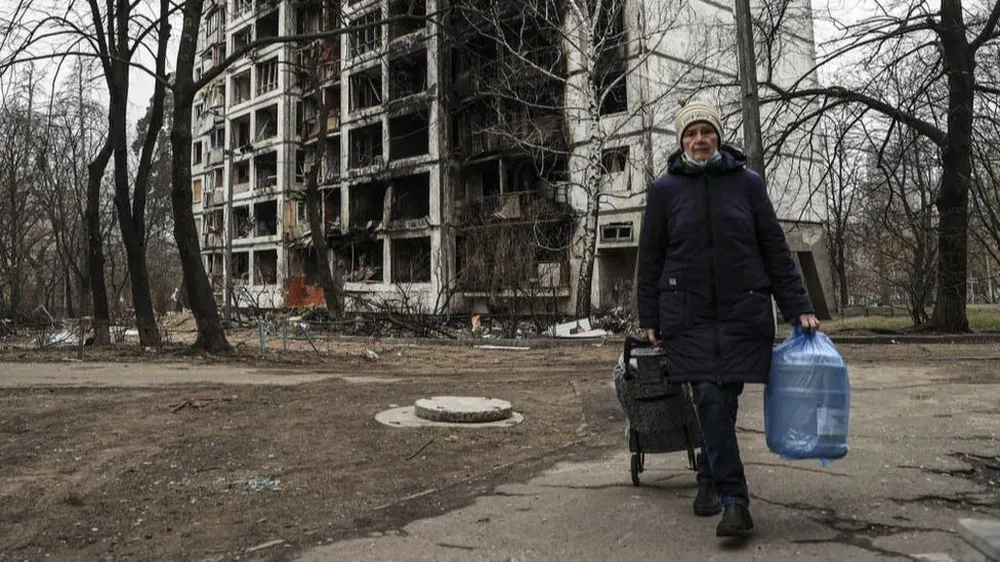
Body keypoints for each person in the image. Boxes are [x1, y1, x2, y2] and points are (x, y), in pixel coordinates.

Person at [636, 100, 820, 538]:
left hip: (743, 310)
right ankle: (735, 501)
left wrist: (799, 305)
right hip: (687, 313)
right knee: (708, 395)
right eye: (690, 133)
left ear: (718, 136)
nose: (699, 140)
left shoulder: (747, 184)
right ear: (681, 141)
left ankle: (708, 478)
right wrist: (650, 315)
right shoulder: (664, 191)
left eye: (706, 131)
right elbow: (651, 257)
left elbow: (774, 248)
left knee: (725, 397)